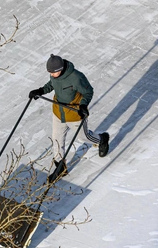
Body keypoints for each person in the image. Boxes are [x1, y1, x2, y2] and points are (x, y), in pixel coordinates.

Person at [29, 54, 110, 182]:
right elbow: (52, 84)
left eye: (53, 72)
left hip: (74, 114)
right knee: (57, 140)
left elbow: (89, 92)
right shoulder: (55, 75)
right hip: (58, 112)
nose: (51, 75)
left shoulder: (76, 77)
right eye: (49, 72)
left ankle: (102, 139)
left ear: (60, 69)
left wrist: (83, 105)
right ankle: (60, 167)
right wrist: (40, 91)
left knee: (84, 137)